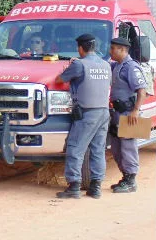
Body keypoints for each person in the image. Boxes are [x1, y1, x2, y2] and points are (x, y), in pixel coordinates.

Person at [55, 34, 111, 199]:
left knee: (75, 148)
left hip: (87, 114)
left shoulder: (79, 65)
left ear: (81, 48)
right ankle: (95, 188)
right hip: (103, 112)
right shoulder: (106, 65)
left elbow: (59, 80)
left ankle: (74, 186)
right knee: (98, 150)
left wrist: (69, 67)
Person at [108, 37, 147, 193]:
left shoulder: (131, 67)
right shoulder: (117, 65)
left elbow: (142, 90)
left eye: (113, 48)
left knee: (128, 147)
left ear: (123, 50)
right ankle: (125, 177)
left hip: (129, 113)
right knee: (117, 148)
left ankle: (131, 181)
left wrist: (136, 110)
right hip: (117, 113)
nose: (110, 51)